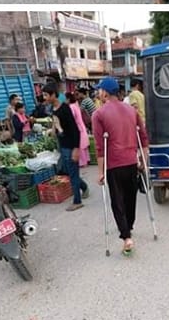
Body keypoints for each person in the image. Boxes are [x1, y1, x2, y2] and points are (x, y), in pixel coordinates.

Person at [93, 76, 149, 255]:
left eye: (99, 90)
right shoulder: (132, 111)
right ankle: (129, 227)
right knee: (130, 198)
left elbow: (100, 147)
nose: (98, 93)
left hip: (114, 164)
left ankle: (126, 237)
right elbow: (144, 138)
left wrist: (100, 172)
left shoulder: (99, 114)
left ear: (105, 92)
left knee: (118, 201)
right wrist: (143, 162)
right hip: (131, 161)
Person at [43, 82, 90, 212]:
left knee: (73, 173)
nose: (44, 98)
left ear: (53, 95)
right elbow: (56, 121)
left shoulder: (65, 108)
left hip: (70, 146)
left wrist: (76, 148)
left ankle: (77, 201)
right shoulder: (53, 109)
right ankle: (84, 187)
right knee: (69, 171)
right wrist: (53, 130)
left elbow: (75, 130)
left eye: (46, 95)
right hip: (62, 145)